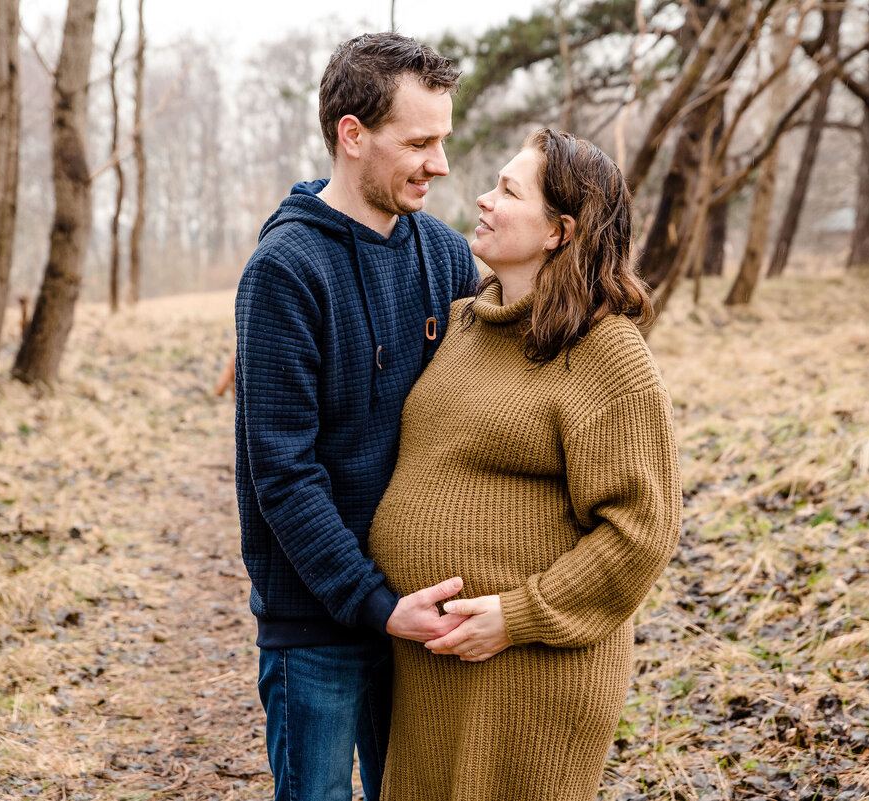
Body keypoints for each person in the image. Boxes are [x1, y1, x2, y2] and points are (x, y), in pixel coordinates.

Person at [368, 128, 683, 801]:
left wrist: (517, 616)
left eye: (507, 190)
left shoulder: (605, 352)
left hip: (529, 670)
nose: (481, 198)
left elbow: (641, 531)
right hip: (432, 669)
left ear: (559, 231)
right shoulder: (464, 324)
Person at [233, 33, 479, 801]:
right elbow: (283, 473)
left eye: (443, 139)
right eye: (419, 142)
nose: (439, 163)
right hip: (320, 622)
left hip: (423, 608)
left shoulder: (443, 255)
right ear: (352, 134)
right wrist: (375, 605)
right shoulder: (285, 272)